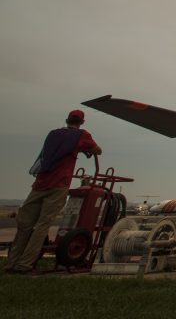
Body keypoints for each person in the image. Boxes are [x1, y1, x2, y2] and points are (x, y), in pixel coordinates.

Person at [4, 109, 102, 274]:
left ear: (66, 120)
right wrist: (86, 150)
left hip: (40, 184)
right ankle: (25, 265)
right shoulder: (82, 135)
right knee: (43, 225)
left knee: (24, 226)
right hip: (59, 185)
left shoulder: (53, 134)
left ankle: (11, 263)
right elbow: (98, 150)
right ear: (82, 122)